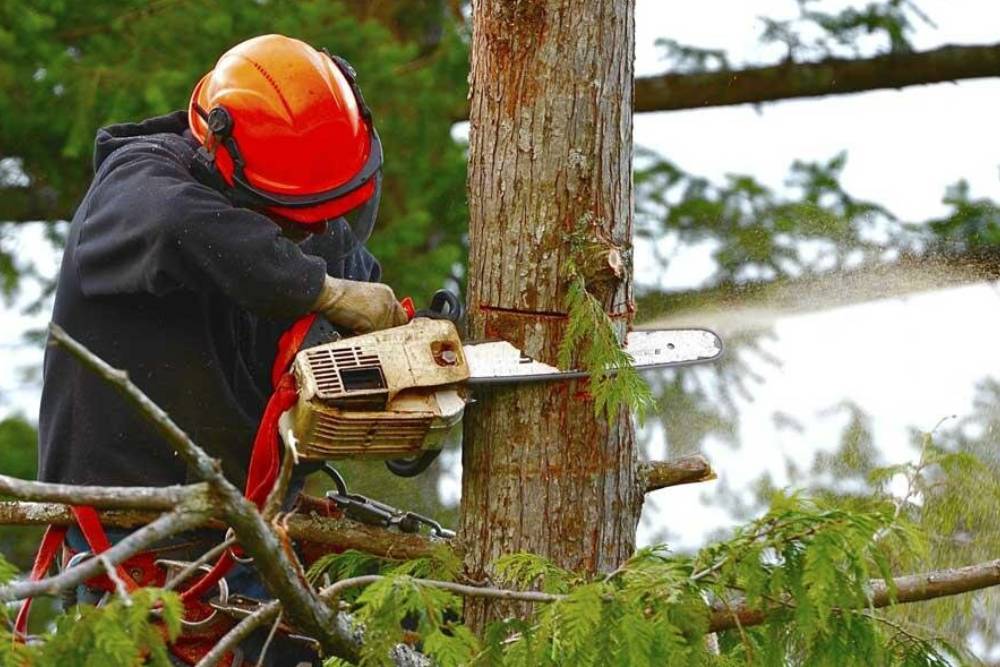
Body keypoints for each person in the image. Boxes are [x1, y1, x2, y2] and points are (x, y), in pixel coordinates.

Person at [35, 34, 407, 665]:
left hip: (255, 544)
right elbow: (183, 225)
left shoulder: (315, 219)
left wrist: (406, 362)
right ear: (224, 155)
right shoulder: (139, 187)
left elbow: (350, 296)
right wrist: (324, 291)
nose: (308, 232)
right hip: (141, 544)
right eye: (292, 218)